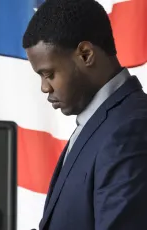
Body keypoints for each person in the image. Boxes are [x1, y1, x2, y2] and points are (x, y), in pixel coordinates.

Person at [22, 0, 147, 229]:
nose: (44, 87)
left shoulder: (131, 130)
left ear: (86, 54)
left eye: (48, 74)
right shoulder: (101, 122)